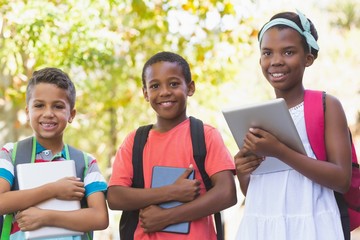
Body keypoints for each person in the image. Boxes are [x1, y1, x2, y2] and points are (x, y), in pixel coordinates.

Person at [234, 10, 352, 240]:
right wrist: (243, 172)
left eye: (288, 52)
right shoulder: (256, 117)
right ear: (260, 60)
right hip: (264, 226)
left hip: (312, 224)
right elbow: (256, 191)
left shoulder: (326, 106)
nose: (276, 61)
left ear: (308, 58)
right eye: (267, 53)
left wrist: (279, 151)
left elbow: (341, 180)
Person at [107, 51, 237, 239]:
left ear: (190, 88)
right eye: (155, 86)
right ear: (145, 93)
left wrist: (167, 217)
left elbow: (227, 193)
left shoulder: (204, 135)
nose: (165, 92)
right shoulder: (135, 141)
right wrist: (171, 192)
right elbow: (115, 197)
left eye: (174, 84)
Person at [0, 67, 109, 239]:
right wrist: (53, 190)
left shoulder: (87, 163)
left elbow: (100, 217)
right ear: (28, 112)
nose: (48, 113)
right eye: (39, 105)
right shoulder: (10, 154)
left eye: (58, 106)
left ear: (71, 114)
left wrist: (46, 217)